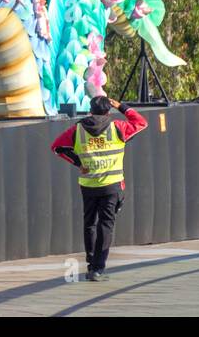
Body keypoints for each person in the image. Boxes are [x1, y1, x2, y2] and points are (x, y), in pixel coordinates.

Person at [50, 95, 147, 282]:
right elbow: (141, 122)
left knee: (90, 224)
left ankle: (91, 265)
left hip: (88, 185)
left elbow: (56, 147)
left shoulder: (77, 129)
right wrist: (122, 106)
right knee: (106, 225)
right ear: (108, 110)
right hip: (112, 185)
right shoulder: (118, 127)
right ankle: (98, 268)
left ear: (90, 110)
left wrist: (78, 162)